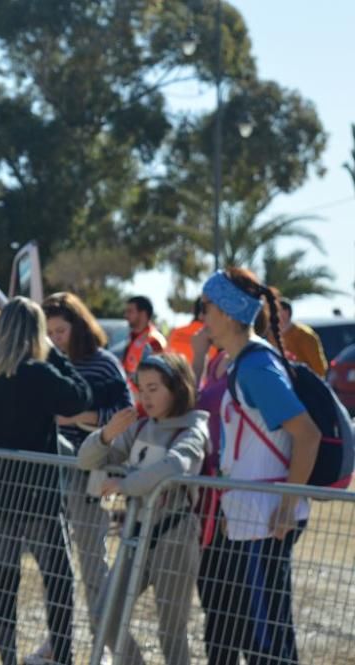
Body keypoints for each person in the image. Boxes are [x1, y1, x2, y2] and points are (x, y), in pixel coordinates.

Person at [0, 297, 92, 665]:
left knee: (5, 580)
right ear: (38, 333)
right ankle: (63, 657)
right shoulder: (38, 372)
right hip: (38, 498)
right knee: (58, 578)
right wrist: (54, 355)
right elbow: (80, 396)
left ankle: (8, 659)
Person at [199, 268, 322, 665]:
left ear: (230, 313)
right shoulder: (244, 363)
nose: (204, 318)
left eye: (208, 308)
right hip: (253, 516)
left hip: (264, 518)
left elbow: (307, 435)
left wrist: (286, 506)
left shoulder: (255, 367)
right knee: (263, 630)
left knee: (264, 638)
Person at [78, 353, 207, 665]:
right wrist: (106, 435)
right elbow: (86, 460)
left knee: (171, 633)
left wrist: (127, 485)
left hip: (174, 537)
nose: (144, 397)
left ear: (176, 388)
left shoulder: (193, 429)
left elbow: (176, 464)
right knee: (103, 617)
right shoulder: (138, 429)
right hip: (135, 537)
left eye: (154, 388)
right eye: (140, 389)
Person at [38, 291, 132, 665]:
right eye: (50, 332)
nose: (55, 338)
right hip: (52, 472)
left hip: (89, 472)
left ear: (78, 327)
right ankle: (58, 643)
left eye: (60, 330)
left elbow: (124, 412)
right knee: (56, 565)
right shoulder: (45, 363)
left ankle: (103, 645)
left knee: (93, 564)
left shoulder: (104, 364)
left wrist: (78, 417)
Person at [122, 296, 167, 404]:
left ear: (143, 314)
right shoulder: (134, 337)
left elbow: (157, 377)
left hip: (145, 404)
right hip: (133, 401)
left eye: (130, 311)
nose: (126, 316)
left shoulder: (153, 340)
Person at [276, 299, 328, 377]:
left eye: (275, 310)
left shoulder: (304, 335)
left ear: (285, 313)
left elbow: (319, 368)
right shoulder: (273, 335)